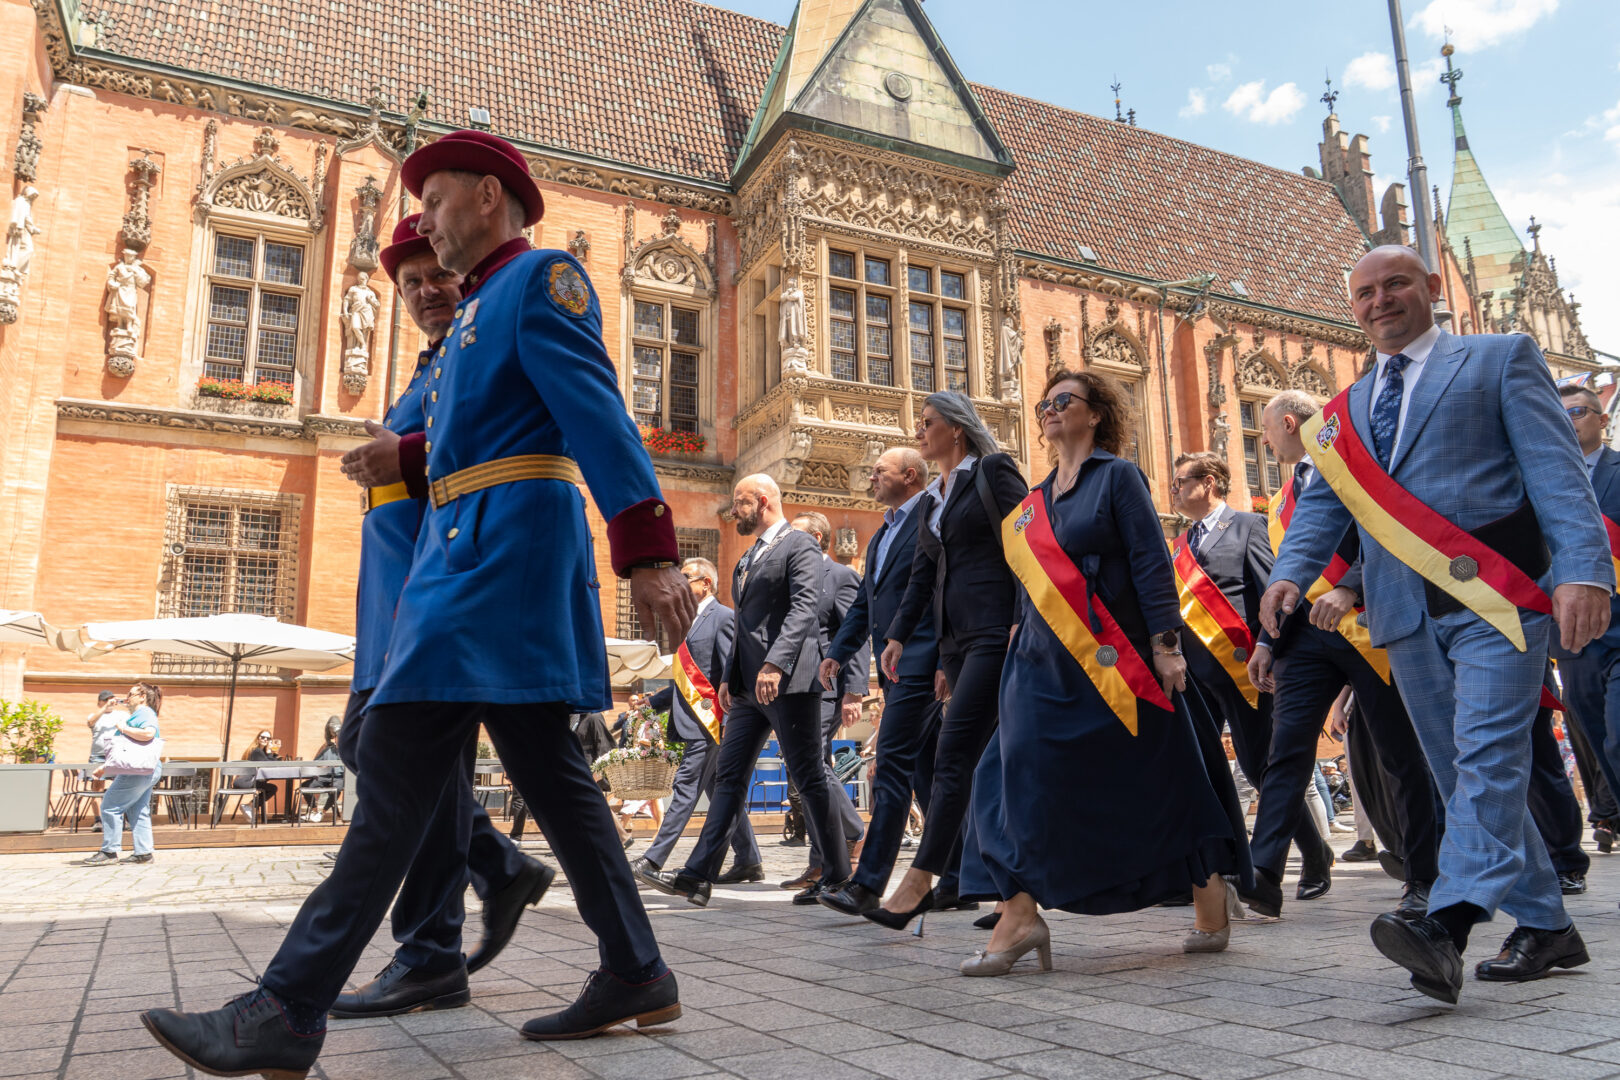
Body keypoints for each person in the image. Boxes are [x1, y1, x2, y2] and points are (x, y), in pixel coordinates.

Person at [141, 130, 696, 1078]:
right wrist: (406, 454)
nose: (425, 223)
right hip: (472, 553)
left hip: (498, 560)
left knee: (392, 757)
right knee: (550, 775)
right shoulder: (475, 314)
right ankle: (636, 969)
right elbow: (473, 431)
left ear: (487, 196)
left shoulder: (542, 280)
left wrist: (648, 552)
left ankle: (286, 1007)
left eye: (435, 202)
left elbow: (596, 413)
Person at [1262, 244, 1611, 1004]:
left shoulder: (1498, 358)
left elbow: (1557, 473)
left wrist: (1585, 570)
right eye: (1365, 293)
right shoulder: (1347, 409)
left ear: (1429, 287)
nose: (1380, 301)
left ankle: (1446, 922)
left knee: (1487, 755)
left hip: (1497, 601)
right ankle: (1547, 925)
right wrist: (1289, 572)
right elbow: (1326, 504)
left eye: (1395, 284)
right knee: (1461, 773)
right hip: (1405, 612)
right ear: (1353, 308)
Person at [322, 213, 559, 1018]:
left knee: (390, 754)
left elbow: (494, 449)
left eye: (439, 274)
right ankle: (487, 879)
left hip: (434, 595)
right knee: (399, 757)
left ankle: (433, 944)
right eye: (412, 282)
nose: (427, 290)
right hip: (394, 601)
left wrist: (402, 456)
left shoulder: (476, 355)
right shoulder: (431, 365)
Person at [957, 370, 1251, 974]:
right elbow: (1026, 587)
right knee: (1002, 774)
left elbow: (1150, 562)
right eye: (1045, 403)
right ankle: (1019, 912)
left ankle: (1207, 885)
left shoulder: (1118, 477)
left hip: (1118, 661)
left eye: (1064, 400)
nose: (1050, 409)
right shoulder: (1033, 502)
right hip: (1041, 661)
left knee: (1161, 775)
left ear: (1095, 414)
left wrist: (1167, 647)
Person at [1247, 388, 1441, 919]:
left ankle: (1424, 875)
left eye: (1267, 429)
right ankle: (1263, 873)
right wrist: (1266, 640)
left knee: (1399, 754)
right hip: (1303, 637)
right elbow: (1284, 572)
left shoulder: (1355, 461)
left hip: (1368, 625)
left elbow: (1388, 528)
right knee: (1286, 751)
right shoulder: (1282, 500)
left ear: (1290, 423)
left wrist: (1351, 585)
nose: (1265, 441)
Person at [869, 392, 1028, 929]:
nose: (919, 431)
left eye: (928, 422)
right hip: (956, 644)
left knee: (953, 753)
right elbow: (923, 575)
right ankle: (1013, 895)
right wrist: (897, 636)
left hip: (996, 631)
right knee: (987, 764)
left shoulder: (992, 471)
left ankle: (920, 880)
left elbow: (1027, 545)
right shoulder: (932, 498)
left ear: (956, 428)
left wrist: (1021, 616)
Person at [665, 474, 849, 907]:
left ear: (763, 501)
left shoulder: (799, 545)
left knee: (809, 776)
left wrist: (775, 663)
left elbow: (805, 608)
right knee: (729, 776)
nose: (734, 511)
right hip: (748, 689)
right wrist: (729, 677)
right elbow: (744, 624)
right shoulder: (748, 556)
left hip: (790, 682)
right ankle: (697, 875)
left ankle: (838, 875)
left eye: (740, 503)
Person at [1166, 451, 1326, 899]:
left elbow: (1273, 593)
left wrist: (1270, 650)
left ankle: (1314, 853)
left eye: (1181, 482)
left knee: (1259, 769)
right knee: (1198, 769)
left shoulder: (1249, 527)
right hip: (1193, 675)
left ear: (1210, 482)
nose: (1173, 490)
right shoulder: (1179, 545)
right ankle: (1210, 875)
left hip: (1244, 669)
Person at [819, 448, 951, 917]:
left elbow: (942, 592)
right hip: (895, 669)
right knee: (929, 771)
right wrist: (837, 653)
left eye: (880, 471)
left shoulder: (932, 517)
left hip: (923, 661)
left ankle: (868, 882)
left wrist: (944, 659)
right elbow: (864, 605)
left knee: (891, 765)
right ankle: (957, 876)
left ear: (909, 476)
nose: (871, 477)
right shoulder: (881, 533)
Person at [632, 557, 762, 890]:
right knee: (721, 793)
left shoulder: (723, 617)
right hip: (693, 720)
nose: (679, 584)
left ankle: (652, 859)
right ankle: (749, 860)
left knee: (685, 787)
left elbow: (732, 671)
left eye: (685, 578)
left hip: (711, 722)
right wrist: (655, 702)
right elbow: (686, 680)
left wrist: (732, 721)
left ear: (706, 583)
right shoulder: (688, 621)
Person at [778, 510, 867, 900]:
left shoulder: (841, 575)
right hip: (793, 687)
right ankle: (822, 859)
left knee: (810, 765)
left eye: (794, 535)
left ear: (815, 538)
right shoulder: (793, 577)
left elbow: (855, 634)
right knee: (805, 771)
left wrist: (854, 691)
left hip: (826, 687)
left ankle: (852, 834)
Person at [1551, 382, 1620, 853]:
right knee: (1598, 741)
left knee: (1618, 738)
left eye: (1577, 412)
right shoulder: (1541, 481)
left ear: (1602, 419)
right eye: (1560, 415)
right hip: (1574, 638)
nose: (1569, 421)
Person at [80, 683, 163, 866]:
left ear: (142, 697)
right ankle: (144, 853)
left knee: (110, 805)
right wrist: (105, 767)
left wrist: (123, 728)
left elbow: (148, 734)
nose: (127, 697)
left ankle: (109, 851)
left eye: (131, 694)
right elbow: (128, 748)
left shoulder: (144, 713)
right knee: (138, 809)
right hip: (146, 768)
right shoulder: (140, 714)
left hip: (137, 771)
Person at [85, 690, 129, 797]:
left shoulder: (122, 714)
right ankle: (98, 809)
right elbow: (90, 722)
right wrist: (105, 707)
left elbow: (133, 721)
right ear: (99, 702)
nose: (109, 702)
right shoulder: (94, 716)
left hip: (116, 756)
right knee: (97, 789)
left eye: (111, 699)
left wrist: (126, 704)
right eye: (105, 700)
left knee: (120, 786)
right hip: (98, 756)